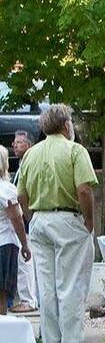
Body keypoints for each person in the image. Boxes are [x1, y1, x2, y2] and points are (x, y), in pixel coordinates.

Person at [15, 104, 96, 343]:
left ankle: (51, 341)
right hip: (67, 218)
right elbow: (84, 189)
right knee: (70, 283)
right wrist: (89, 221)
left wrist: (32, 217)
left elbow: (21, 195)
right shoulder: (75, 150)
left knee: (46, 286)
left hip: (40, 220)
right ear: (66, 125)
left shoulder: (31, 154)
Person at [0, 143, 32, 315]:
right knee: (2, 295)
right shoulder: (6, 189)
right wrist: (25, 245)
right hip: (4, 244)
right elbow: (16, 218)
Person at [8, 130, 35, 311]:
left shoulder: (28, 166)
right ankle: (28, 298)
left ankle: (29, 300)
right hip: (23, 217)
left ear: (29, 145)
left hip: (25, 218)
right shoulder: (20, 166)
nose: (15, 145)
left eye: (20, 142)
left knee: (25, 260)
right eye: (15, 142)